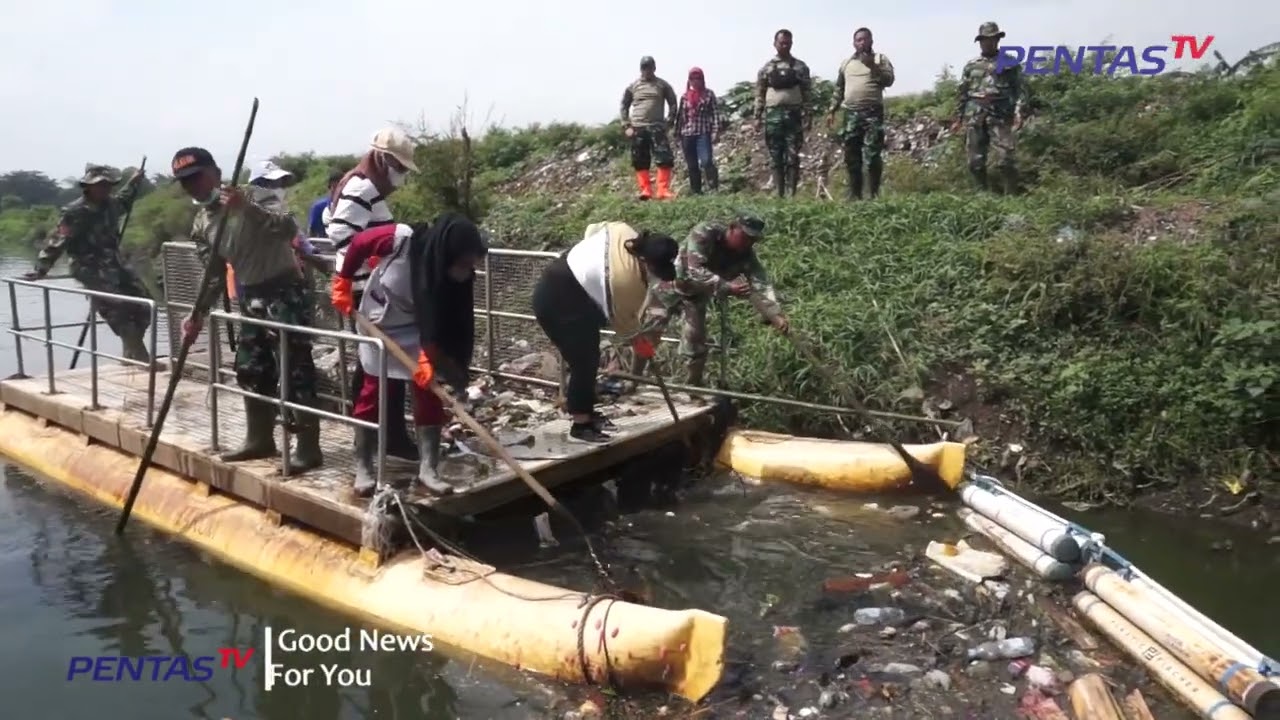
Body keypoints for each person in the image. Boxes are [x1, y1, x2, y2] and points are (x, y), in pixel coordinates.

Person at [172, 147, 323, 474]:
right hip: (250, 298)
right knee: (251, 368)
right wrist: (196, 313)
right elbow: (212, 274)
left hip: (285, 292)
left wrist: (246, 208)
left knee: (295, 369)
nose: (192, 186)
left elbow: (287, 229)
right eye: (185, 182)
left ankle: (309, 449)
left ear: (215, 171)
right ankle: (260, 440)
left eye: (196, 177)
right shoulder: (202, 222)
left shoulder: (255, 196)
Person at [331, 218, 484, 496]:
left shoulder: (452, 280)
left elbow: (446, 324)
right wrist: (343, 281)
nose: (466, 270)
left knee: (428, 393)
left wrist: (429, 356)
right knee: (372, 392)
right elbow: (359, 243)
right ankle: (363, 466)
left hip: (417, 331)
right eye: (463, 262)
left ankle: (429, 469)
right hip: (378, 322)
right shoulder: (401, 240)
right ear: (446, 252)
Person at [532, 222, 678, 444]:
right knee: (584, 361)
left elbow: (592, 229)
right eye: (656, 272)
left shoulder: (624, 231)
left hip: (574, 288)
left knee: (589, 355)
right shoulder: (625, 282)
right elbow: (626, 326)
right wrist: (643, 346)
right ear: (643, 260)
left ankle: (588, 412)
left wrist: (591, 269)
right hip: (558, 299)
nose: (656, 277)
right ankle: (580, 424)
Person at [324, 127, 420, 461]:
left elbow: (334, 221)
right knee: (378, 365)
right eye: (400, 167)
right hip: (367, 292)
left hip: (371, 289)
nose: (402, 175)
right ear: (382, 158)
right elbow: (340, 233)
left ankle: (384, 436)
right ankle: (381, 440)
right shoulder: (361, 186)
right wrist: (373, 259)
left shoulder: (363, 186)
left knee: (378, 365)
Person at [632, 215, 789, 386]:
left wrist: (774, 313)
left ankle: (693, 387)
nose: (747, 243)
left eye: (752, 240)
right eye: (744, 237)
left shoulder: (746, 255)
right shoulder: (706, 233)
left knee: (695, 344)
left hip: (695, 297)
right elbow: (695, 269)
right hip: (669, 285)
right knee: (647, 335)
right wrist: (727, 286)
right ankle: (634, 378)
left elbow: (761, 281)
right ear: (732, 228)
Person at [24, 163, 152, 362]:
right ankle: (142, 358)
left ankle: (130, 350)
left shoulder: (111, 204)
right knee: (118, 309)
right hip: (89, 266)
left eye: (108, 185)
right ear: (88, 186)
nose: (105, 188)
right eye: (100, 185)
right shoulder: (75, 211)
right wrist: (41, 268)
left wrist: (134, 182)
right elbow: (58, 241)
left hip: (114, 263)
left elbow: (125, 199)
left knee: (145, 303)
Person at [953, 21, 1027, 194]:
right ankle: (982, 197)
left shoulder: (1010, 63)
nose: (989, 42)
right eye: (985, 39)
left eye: (993, 38)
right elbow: (962, 93)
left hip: (1001, 116)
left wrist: (1019, 111)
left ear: (997, 40)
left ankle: (1011, 197)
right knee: (975, 162)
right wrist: (958, 117)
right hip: (976, 116)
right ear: (980, 41)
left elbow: (1021, 90)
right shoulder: (971, 65)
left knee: (1006, 160)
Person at [828, 28, 896, 200]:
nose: (862, 43)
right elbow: (839, 89)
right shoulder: (846, 64)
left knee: (872, 156)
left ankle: (873, 194)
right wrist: (832, 111)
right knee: (852, 156)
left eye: (865, 39)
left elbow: (889, 81)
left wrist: (873, 67)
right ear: (854, 43)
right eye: (858, 40)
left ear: (871, 41)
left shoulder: (880, 59)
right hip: (851, 114)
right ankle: (855, 194)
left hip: (872, 113)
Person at [755, 29, 812, 197]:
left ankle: (791, 194)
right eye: (781, 42)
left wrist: (809, 115)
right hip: (773, 116)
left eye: (787, 42)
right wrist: (757, 117)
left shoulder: (800, 67)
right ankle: (779, 194)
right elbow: (759, 93)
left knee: (793, 156)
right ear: (775, 44)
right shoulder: (766, 68)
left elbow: (807, 92)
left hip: (794, 116)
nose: (784, 45)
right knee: (775, 157)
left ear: (792, 43)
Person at [620, 56, 678, 201]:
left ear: (654, 68)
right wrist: (626, 124)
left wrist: (669, 121)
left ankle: (662, 190)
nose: (647, 70)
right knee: (640, 159)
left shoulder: (662, 85)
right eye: (644, 67)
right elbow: (624, 105)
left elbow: (673, 103)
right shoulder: (633, 86)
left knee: (664, 158)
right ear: (641, 69)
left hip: (657, 126)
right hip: (638, 127)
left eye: (650, 67)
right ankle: (645, 189)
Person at [675, 67, 721, 195]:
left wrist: (716, 131)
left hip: (703, 133)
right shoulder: (684, 97)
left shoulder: (709, 94)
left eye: (698, 79)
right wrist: (677, 134)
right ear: (689, 81)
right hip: (687, 135)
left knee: (706, 161)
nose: (695, 81)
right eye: (692, 79)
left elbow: (715, 113)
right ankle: (696, 191)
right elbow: (680, 117)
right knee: (692, 165)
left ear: (702, 80)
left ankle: (713, 187)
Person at [308, 168, 346, 238]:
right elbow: (312, 232)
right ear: (330, 188)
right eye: (334, 187)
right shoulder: (318, 207)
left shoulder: (349, 206)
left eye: (341, 187)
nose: (338, 191)